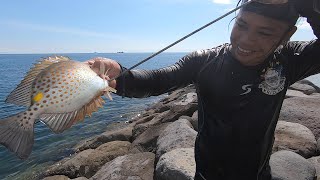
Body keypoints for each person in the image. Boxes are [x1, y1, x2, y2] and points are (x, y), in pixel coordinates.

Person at [87, 0, 320, 179]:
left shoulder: (290, 60)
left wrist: (305, 4)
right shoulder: (206, 61)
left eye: (265, 33)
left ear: (287, 35)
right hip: (208, 174)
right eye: (242, 25)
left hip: (258, 174)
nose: (246, 40)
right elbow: (157, 80)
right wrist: (118, 73)